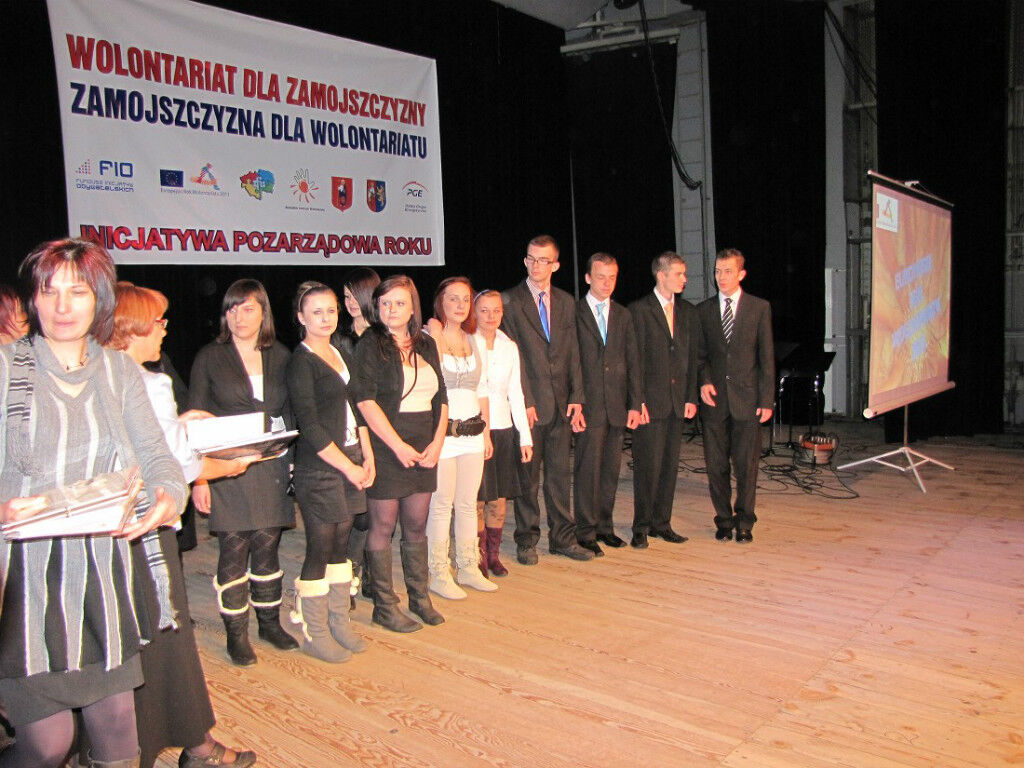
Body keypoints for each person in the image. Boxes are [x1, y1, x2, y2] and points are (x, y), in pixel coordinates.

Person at [0, 238, 187, 768]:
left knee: (118, 734)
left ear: (99, 298)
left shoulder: (119, 371)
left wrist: (168, 495)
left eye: (77, 292)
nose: (62, 306)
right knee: (48, 744)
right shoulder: (6, 368)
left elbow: (157, 457)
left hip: (103, 578)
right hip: (25, 584)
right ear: (33, 300)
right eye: (49, 291)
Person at [108, 281, 256, 768]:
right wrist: (231, 463)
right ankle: (190, 747)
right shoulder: (147, 383)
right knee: (166, 643)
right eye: (157, 322)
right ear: (130, 329)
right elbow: (178, 463)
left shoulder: (98, 378)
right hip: (147, 532)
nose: (165, 330)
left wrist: (183, 424)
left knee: (138, 647)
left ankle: (172, 744)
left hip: (109, 534)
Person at [189, 279, 299, 665]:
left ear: (263, 312)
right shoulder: (209, 357)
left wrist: (290, 463)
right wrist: (201, 478)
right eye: (232, 309)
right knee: (234, 551)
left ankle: (269, 624)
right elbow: (195, 419)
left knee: (267, 547)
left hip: (270, 468)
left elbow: (290, 414)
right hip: (227, 470)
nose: (239, 317)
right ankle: (236, 635)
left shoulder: (281, 355)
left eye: (248, 308)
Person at [353, 275, 447, 632]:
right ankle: (384, 605)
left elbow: (441, 397)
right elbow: (365, 401)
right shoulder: (370, 343)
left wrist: (437, 442)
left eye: (399, 303)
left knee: (416, 525)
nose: (392, 309)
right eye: (385, 303)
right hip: (387, 444)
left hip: (424, 444)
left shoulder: (426, 343)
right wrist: (397, 446)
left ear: (412, 307)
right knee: (383, 526)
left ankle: (419, 598)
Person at [286, 281, 375, 662]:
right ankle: (315, 630)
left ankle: (338, 622)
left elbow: (358, 407)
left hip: (352, 460)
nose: (325, 318)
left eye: (331, 310)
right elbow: (310, 426)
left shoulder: (340, 352)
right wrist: (349, 467)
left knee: (341, 546)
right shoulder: (301, 362)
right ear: (301, 317)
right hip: (320, 467)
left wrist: (368, 457)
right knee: (320, 548)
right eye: (316, 312)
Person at [500, 235, 591, 564]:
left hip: (561, 403)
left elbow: (574, 352)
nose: (536, 265)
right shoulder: (510, 301)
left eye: (543, 260)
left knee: (559, 477)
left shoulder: (566, 302)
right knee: (527, 477)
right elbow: (513, 358)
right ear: (525, 260)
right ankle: (526, 540)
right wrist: (524, 400)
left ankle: (563, 539)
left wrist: (577, 396)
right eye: (531, 258)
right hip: (529, 404)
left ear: (556, 265)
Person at [697, 248, 775, 543]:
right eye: (717, 271)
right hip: (715, 401)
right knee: (716, 465)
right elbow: (699, 356)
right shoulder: (703, 310)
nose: (721, 277)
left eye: (728, 271)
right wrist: (704, 381)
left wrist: (766, 400)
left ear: (741, 274)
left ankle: (745, 521)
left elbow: (766, 357)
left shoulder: (759, 308)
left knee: (746, 466)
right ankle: (724, 520)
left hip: (748, 400)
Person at [423, 277, 496, 597]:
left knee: (468, 503)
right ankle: (438, 573)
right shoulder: (429, 337)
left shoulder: (474, 340)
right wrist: (436, 331)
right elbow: (433, 377)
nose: (460, 305)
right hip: (443, 434)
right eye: (453, 298)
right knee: (441, 504)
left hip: (472, 434)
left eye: (465, 299)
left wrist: (487, 433)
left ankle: (468, 567)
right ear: (440, 301)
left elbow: (483, 390)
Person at [628, 252, 700, 549]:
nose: (685, 279)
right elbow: (634, 360)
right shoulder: (638, 310)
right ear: (661, 275)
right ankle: (641, 527)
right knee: (647, 467)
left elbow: (692, 358)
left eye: (684, 274)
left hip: (676, 401)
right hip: (650, 403)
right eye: (679, 274)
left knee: (669, 466)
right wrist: (638, 401)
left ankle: (662, 523)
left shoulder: (688, 312)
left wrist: (691, 396)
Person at [574, 254, 644, 555]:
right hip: (588, 404)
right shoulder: (573, 312)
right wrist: (575, 401)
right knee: (588, 470)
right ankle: (585, 531)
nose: (606, 283)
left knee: (610, 471)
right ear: (588, 278)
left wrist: (635, 403)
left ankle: (605, 527)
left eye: (612, 277)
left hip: (616, 405)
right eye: (600, 276)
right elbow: (572, 362)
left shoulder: (623, 315)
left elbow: (633, 361)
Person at [472, 290, 532, 577]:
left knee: (498, 499)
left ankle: (493, 556)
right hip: (474, 430)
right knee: (477, 499)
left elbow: (516, 393)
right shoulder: (466, 342)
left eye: (496, 310)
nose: (491, 316)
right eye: (484, 310)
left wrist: (525, 438)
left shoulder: (509, 346)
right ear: (474, 312)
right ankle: (478, 557)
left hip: (504, 429)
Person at [331, 267, 380, 606]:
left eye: (354, 295)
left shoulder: (384, 336)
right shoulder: (339, 340)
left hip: (384, 432)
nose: (349, 303)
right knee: (356, 514)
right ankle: (348, 576)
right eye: (345, 296)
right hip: (352, 433)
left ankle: (372, 575)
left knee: (378, 513)